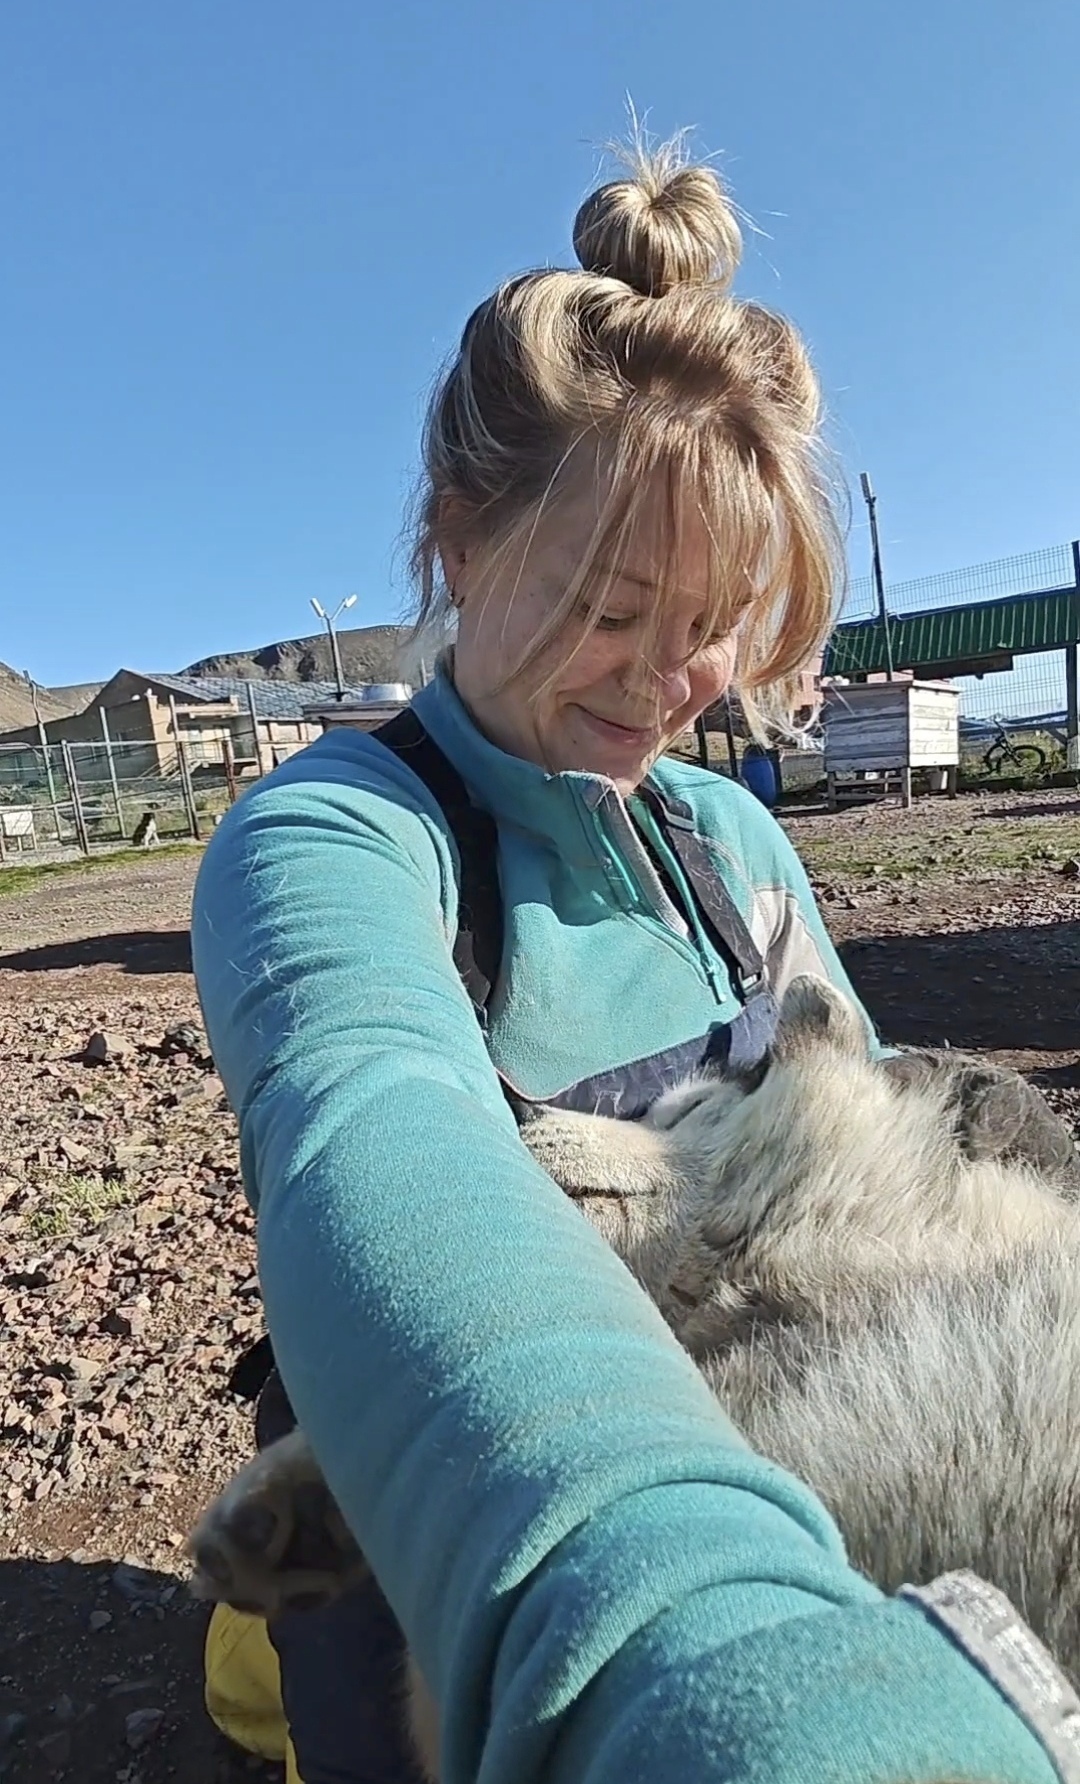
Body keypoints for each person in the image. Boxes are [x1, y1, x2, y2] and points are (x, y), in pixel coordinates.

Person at [191, 138, 1074, 1784]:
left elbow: (872, 1165)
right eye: (613, 608)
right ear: (458, 538)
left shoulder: (731, 846)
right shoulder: (330, 845)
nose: (672, 685)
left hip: (818, 1384)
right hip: (498, 1490)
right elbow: (381, 1148)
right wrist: (685, 1646)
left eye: (716, 622)